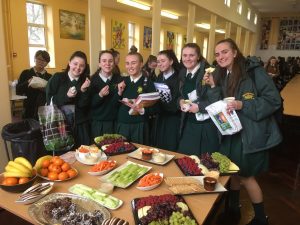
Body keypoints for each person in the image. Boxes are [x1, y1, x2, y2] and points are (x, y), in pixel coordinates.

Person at [205, 38, 282, 225]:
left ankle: (261, 218)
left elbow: (274, 100)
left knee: (247, 176)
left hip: (248, 135)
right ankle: (233, 209)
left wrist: (242, 104)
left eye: (224, 52)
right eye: (217, 54)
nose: (220, 56)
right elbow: (219, 104)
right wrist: (213, 86)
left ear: (235, 52)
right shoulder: (223, 74)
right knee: (232, 173)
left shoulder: (254, 72)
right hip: (230, 133)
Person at [177, 43, 220, 155]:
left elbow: (217, 99)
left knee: (203, 163)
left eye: (191, 55)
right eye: (184, 55)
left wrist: (199, 107)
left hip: (205, 125)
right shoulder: (183, 72)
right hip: (188, 122)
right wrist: (180, 101)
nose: (187, 58)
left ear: (198, 56)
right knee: (186, 159)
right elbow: (181, 94)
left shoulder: (209, 72)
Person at [46, 51, 91, 148]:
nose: (78, 68)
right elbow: (49, 101)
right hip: (60, 124)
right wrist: (67, 96)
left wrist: (83, 90)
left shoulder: (86, 81)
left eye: (82, 66)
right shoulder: (57, 78)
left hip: (80, 125)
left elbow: (84, 105)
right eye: (75, 64)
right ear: (69, 63)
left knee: (83, 153)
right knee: (63, 156)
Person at [116, 51, 158, 144]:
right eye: (127, 63)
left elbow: (156, 107)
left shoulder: (148, 83)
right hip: (122, 124)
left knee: (139, 155)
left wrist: (141, 110)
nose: (130, 66)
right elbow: (113, 104)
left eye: (133, 63)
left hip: (140, 125)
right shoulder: (121, 81)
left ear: (141, 64)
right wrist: (119, 93)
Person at [90, 50, 125, 139]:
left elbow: (118, 103)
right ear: (99, 63)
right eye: (104, 61)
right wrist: (100, 95)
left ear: (114, 63)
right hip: (98, 123)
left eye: (110, 61)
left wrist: (119, 93)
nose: (107, 64)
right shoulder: (92, 80)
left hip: (115, 122)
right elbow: (90, 104)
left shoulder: (119, 79)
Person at [154, 50, 181, 151]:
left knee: (170, 147)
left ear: (171, 61)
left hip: (173, 119)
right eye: (158, 61)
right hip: (160, 117)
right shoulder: (160, 76)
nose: (160, 64)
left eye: (163, 61)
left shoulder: (179, 78)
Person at [16, 50, 52, 119]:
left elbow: (52, 93)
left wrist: (44, 89)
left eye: (44, 60)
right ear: (34, 59)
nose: (41, 62)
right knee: (28, 128)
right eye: (39, 59)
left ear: (47, 63)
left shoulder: (49, 77)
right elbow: (18, 91)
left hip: (44, 110)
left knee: (42, 129)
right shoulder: (26, 73)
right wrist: (28, 82)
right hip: (28, 109)